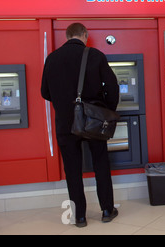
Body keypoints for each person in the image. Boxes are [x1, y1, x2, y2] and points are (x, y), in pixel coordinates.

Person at [41, 23, 119, 227]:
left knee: (72, 170)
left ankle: (80, 216)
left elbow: (44, 92)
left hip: (66, 123)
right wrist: (107, 110)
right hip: (93, 120)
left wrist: (63, 104)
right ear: (84, 35)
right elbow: (112, 85)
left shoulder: (52, 58)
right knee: (101, 163)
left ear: (67, 37)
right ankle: (107, 210)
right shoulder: (95, 55)